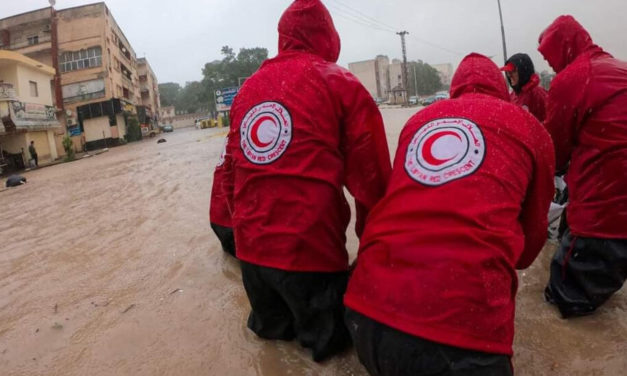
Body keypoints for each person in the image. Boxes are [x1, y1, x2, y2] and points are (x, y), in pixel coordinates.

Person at [343, 53, 555, 376]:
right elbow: (529, 247)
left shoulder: (417, 122)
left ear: (454, 88)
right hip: (463, 345)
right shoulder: (530, 128)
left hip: (364, 316)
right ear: (499, 87)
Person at [211, 0, 391, 361]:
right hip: (311, 259)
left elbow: (229, 178)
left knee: (273, 352)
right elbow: (374, 185)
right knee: (332, 355)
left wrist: (247, 237)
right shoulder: (340, 83)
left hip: (253, 262)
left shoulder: (247, 90)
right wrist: (374, 255)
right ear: (328, 36)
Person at [539, 15, 627, 318]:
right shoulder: (620, 69)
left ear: (562, 49)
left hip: (602, 218)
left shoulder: (573, 78)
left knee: (564, 308)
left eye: (550, 57)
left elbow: (554, 150)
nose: (551, 66)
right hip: (616, 213)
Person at [501, 53, 548, 121]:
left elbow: (549, 121)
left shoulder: (537, 94)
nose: (509, 75)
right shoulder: (512, 95)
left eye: (513, 71)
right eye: (508, 72)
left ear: (523, 71)